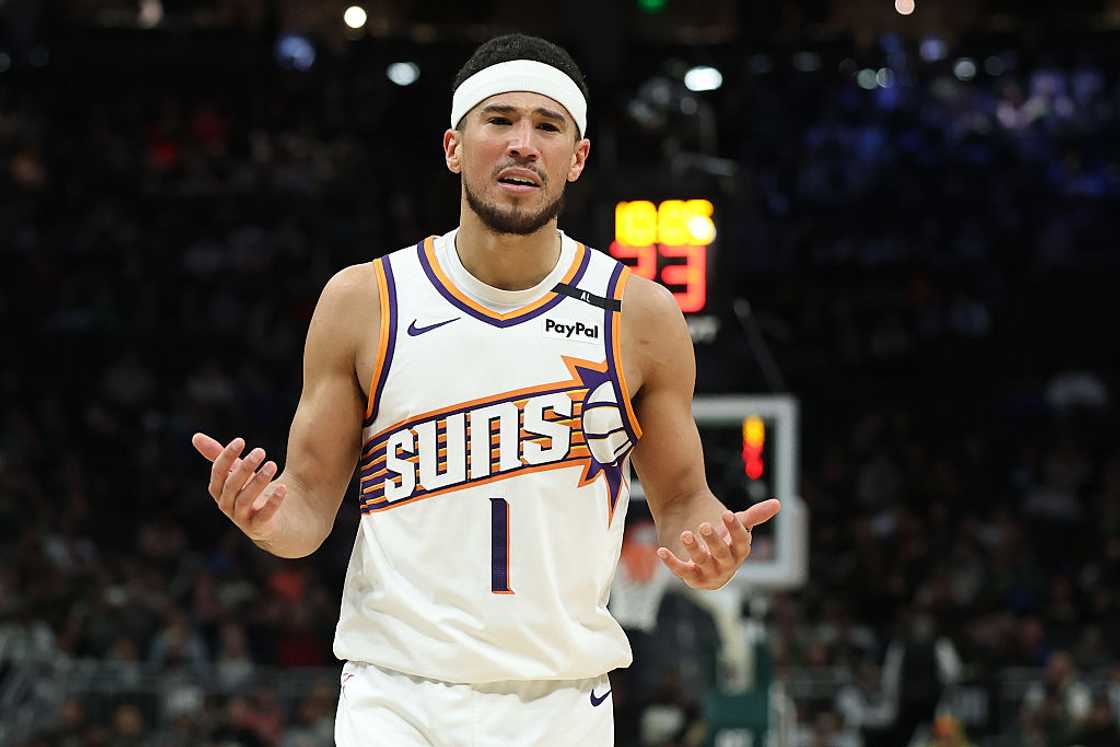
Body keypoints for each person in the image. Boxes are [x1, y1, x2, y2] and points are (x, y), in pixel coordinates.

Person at [191, 33, 780, 746]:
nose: (523, 143)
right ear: (454, 146)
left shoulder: (640, 316)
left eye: (548, 125)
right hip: (396, 695)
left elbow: (683, 500)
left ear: (578, 157)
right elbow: (308, 510)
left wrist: (711, 546)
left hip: (561, 703)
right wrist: (264, 517)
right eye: (499, 120)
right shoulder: (364, 301)